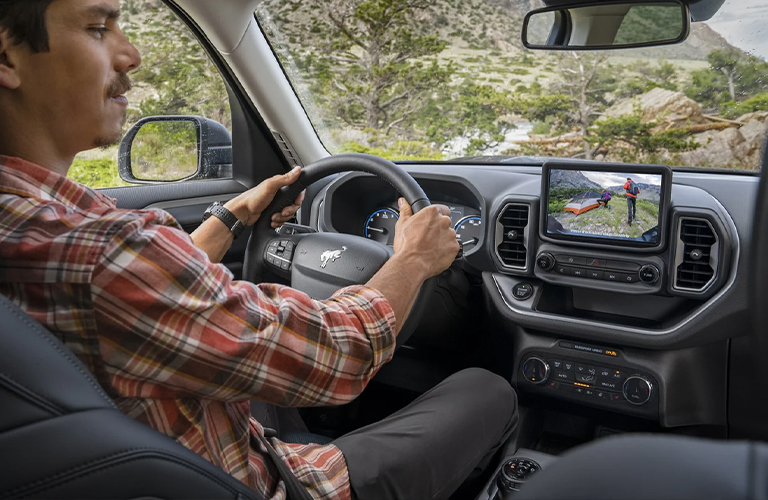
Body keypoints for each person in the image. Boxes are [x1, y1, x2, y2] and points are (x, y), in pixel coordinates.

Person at [0, 2, 517, 500]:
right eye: (98, 27)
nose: (131, 53)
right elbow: (338, 358)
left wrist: (230, 217)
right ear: (6, 57)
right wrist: (411, 261)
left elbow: (150, 294)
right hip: (256, 483)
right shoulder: (101, 253)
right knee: (488, 390)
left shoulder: (42, 229)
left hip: (155, 461)